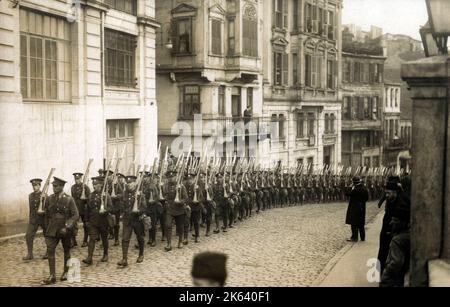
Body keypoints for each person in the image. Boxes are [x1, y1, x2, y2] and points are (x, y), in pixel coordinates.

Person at [42, 177, 79, 285]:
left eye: (56, 186)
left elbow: (75, 215)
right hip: (53, 228)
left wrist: (67, 226)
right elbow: (47, 214)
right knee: (50, 249)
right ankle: (52, 275)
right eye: (53, 186)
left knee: (66, 250)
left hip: (65, 229)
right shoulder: (50, 198)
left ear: (62, 187)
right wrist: (47, 227)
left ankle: (66, 272)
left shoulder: (68, 199)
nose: (54, 188)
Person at [380, 183, 411, 287]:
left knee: (393, 259)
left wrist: (384, 280)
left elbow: (395, 263)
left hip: (395, 234)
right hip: (393, 233)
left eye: (388, 193)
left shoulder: (401, 204)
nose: (386, 195)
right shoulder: (396, 199)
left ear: (395, 192)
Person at [117, 175, 147, 268]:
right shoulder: (124, 193)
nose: (128, 185)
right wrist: (124, 212)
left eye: (130, 183)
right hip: (127, 219)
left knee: (140, 237)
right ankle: (124, 259)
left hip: (137, 219)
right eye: (127, 183)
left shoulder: (140, 194)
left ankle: (141, 254)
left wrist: (138, 211)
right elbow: (121, 205)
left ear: (135, 183)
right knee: (125, 239)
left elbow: (144, 207)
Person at [82, 176, 112, 265]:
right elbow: (87, 209)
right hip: (93, 221)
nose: (95, 186)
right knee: (91, 239)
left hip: (103, 221)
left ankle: (105, 254)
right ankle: (89, 257)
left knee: (104, 238)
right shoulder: (91, 195)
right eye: (94, 184)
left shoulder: (106, 196)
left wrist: (105, 210)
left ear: (101, 185)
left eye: (96, 184)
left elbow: (111, 207)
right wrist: (86, 221)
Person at [23, 178, 47, 261]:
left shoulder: (44, 195)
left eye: (36, 185)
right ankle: (30, 254)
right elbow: (31, 209)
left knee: (47, 235)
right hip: (34, 219)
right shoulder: (30, 196)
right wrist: (30, 219)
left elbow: (47, 208)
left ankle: (48, 252)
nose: (34, 187)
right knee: (28, 235)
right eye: (33, 185)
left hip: (43, 218)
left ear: (40, 186)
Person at [345, 176, 369, 242]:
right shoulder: (364, 188)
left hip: (354, 207)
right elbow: (367, 198)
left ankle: (354, 237)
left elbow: (347, 193)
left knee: (354, 223)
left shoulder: (355, 189)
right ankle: (362, 237)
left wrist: (350, 187)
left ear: (354, 182)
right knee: (361, 223)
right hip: (362, 207)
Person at [71, 173, 91, 248]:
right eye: (76, 179)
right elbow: (73, 198)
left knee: (85, 225)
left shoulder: (86, 187)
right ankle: (74, 241)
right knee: (72, 225)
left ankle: (85, 241)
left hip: (84, 209)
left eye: (78, 179)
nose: (77, 180)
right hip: (76, 209)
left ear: (81, 179)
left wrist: (85, 199)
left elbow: (89, 199)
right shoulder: (73, 187)